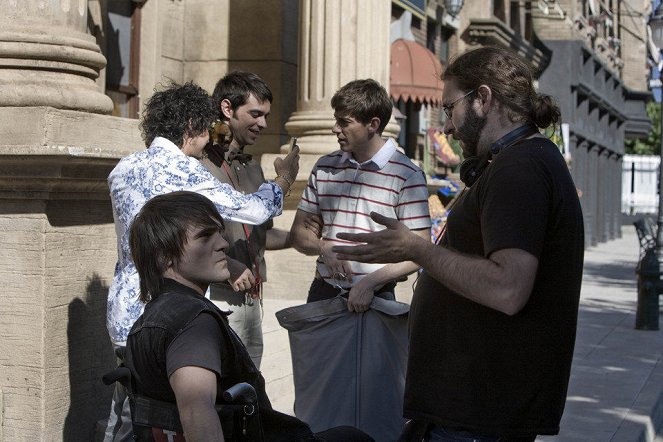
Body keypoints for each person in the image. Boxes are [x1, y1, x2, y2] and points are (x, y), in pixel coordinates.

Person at [333, 47, 585, 441]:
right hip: (470, 411)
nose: (446, 128)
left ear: (483, 98)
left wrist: (417, 249)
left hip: (479, 417)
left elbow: (507, 287)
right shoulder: (519, 161)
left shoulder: (519, 168)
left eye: (449, 109)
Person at [103, 81, 299, 441]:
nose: (209, 140)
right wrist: (284, 179)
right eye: (205, 130)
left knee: (129, 415)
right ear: (191, 125)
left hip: (124, 312)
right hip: (167, 314)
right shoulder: (182, 169)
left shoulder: (122, 167)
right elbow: (254, 210)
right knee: (181, 418)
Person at [124, 191, 373, 442]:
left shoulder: (147, 320)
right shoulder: (193, 323)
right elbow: (196, 413)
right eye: (205, 236)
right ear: (164, 257)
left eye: (220, 233)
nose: (223, 244)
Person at [287, 79, 430, 441]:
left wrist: (370, 282)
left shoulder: (407, 174)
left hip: (379, 302)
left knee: (378, 404)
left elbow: (420, 250)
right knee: (317, 400)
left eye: (344, 121)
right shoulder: (326, 166)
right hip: (324, 296)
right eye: (336, 120)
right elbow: (298, 234)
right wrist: (322, 247)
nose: (335, 128)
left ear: (374, 124)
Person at [199, 71, 293, 368]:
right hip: (215, 298)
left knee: (247, 393)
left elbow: (262, 235)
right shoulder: (199, 163)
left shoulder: (254, 168)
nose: (263, 124)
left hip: (252, 299)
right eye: (255, 114)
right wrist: (226, 266)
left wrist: (300, 239)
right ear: (227, 109)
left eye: (266, 115)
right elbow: (185, 235)